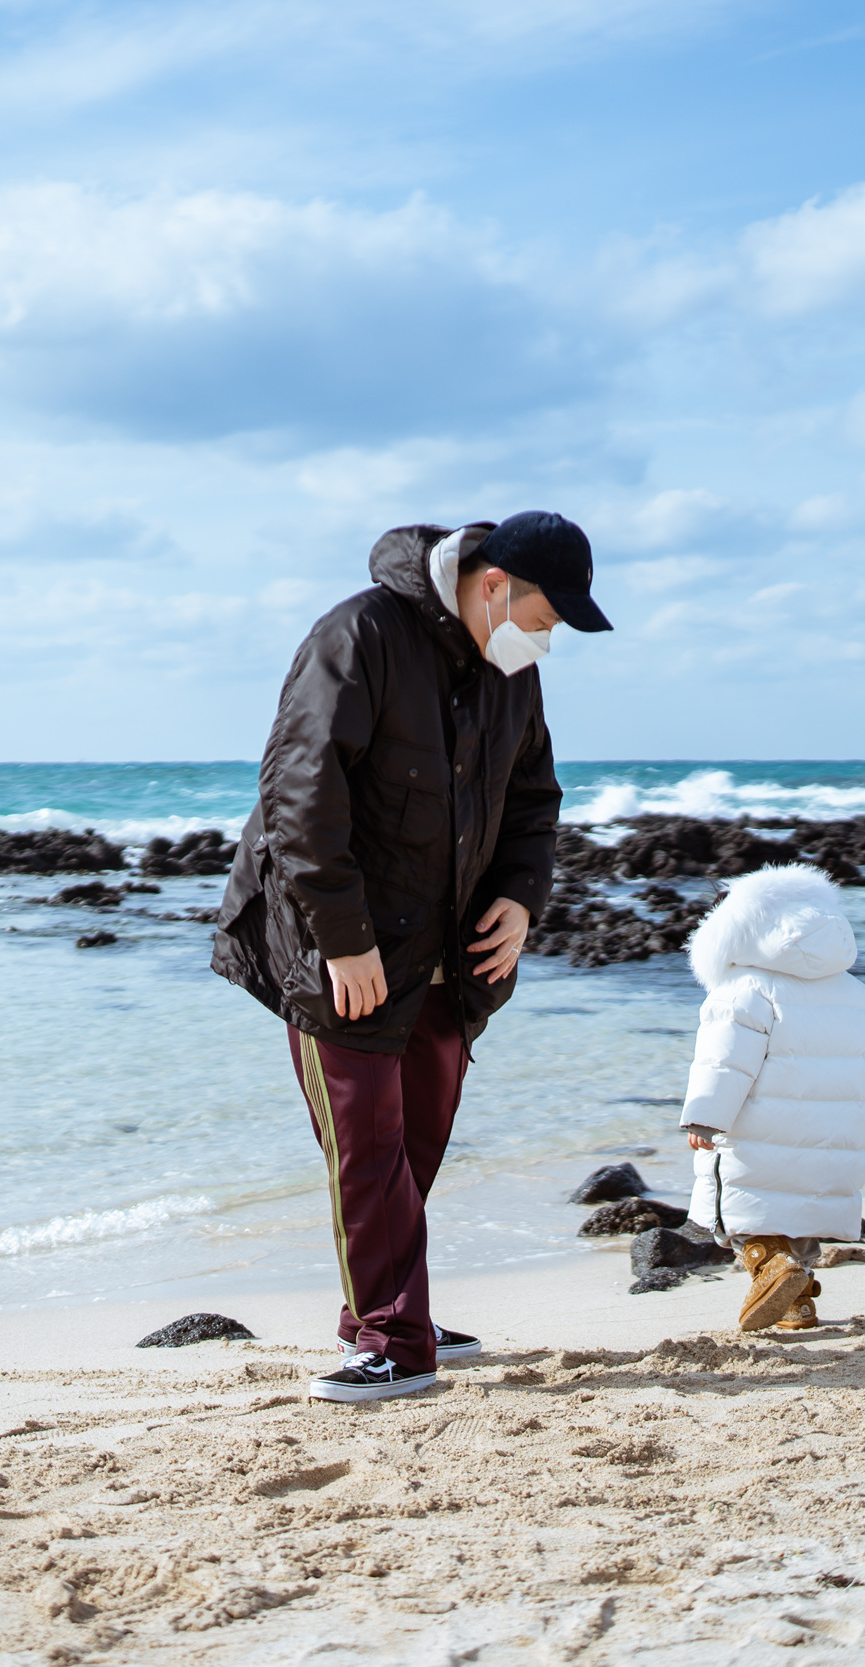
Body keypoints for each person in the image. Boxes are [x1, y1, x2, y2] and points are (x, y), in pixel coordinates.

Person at [213, 512, 611, 1401]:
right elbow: (300, 794)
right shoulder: (357, 635)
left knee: (418, 1136)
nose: (547, 639)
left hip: (449, 952)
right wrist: (344, 940)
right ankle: (398, 1338)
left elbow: (534, 795)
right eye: (545, 617)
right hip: (337, 946)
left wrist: (522, 897)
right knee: (368, 1145)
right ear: (495, 585)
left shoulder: (512, 666)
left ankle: (382, 1314)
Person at [678, 864, 865, 1331]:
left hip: (760, 1134)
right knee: (803, 1217)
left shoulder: (743, 988)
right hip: (835, 1141)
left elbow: (725, 1062)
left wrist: (704, 1118)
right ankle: (798, 1303)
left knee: (745, 1217)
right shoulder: (857, 992)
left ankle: (770, 1265)